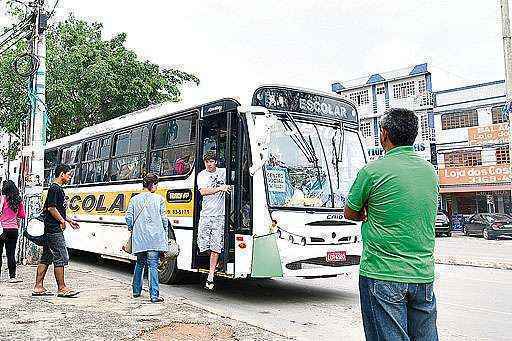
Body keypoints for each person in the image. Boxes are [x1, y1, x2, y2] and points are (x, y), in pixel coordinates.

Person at [344, 108, 439, 341]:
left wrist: (367, 212)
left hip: (382, 273)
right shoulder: (430, 172)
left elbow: (350, 212)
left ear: (384, 134)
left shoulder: (372, 171)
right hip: (422, 275)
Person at [33, 164, 80, 297]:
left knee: (47, 256)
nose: (69, 177)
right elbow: (51, 209)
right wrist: (62, 221)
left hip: (50, 228)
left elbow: (57, 209)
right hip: (53, 230)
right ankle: (62, 288)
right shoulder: (55, 189)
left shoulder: (55, 189)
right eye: (68, 174)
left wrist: (68, 220)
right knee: (60, 256)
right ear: (62, 174)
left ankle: (38, 286)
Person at [125, 173, 168, 303]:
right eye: (156, 184)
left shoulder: (134, 199)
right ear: (153, 185)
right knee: (153, 265)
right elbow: (164, 219)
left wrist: (132, 228)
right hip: (154, 238)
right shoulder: (159, 199)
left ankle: (136, 291)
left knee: (139, 263)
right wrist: (164, 233)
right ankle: (154, 295)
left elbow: (128, 218)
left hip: (140, 238)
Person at [197, 150, 230, 290]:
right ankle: (218, 260)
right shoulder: (201, 175)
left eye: (211, 161)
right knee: (202, 244)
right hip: (206, 214)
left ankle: (210, 276)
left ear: (216, 162)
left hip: (219, 215)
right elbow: (203, 191)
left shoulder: (224, 172)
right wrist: (220, 188)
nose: (209, 164)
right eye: (206, 162)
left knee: (216, 245)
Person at [0, 180, 26, 282]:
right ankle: (12, 276)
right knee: (11, 253)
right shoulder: (18, 200)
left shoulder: (2, 199)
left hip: (2, 230)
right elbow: (22, 215)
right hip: (13, 230)